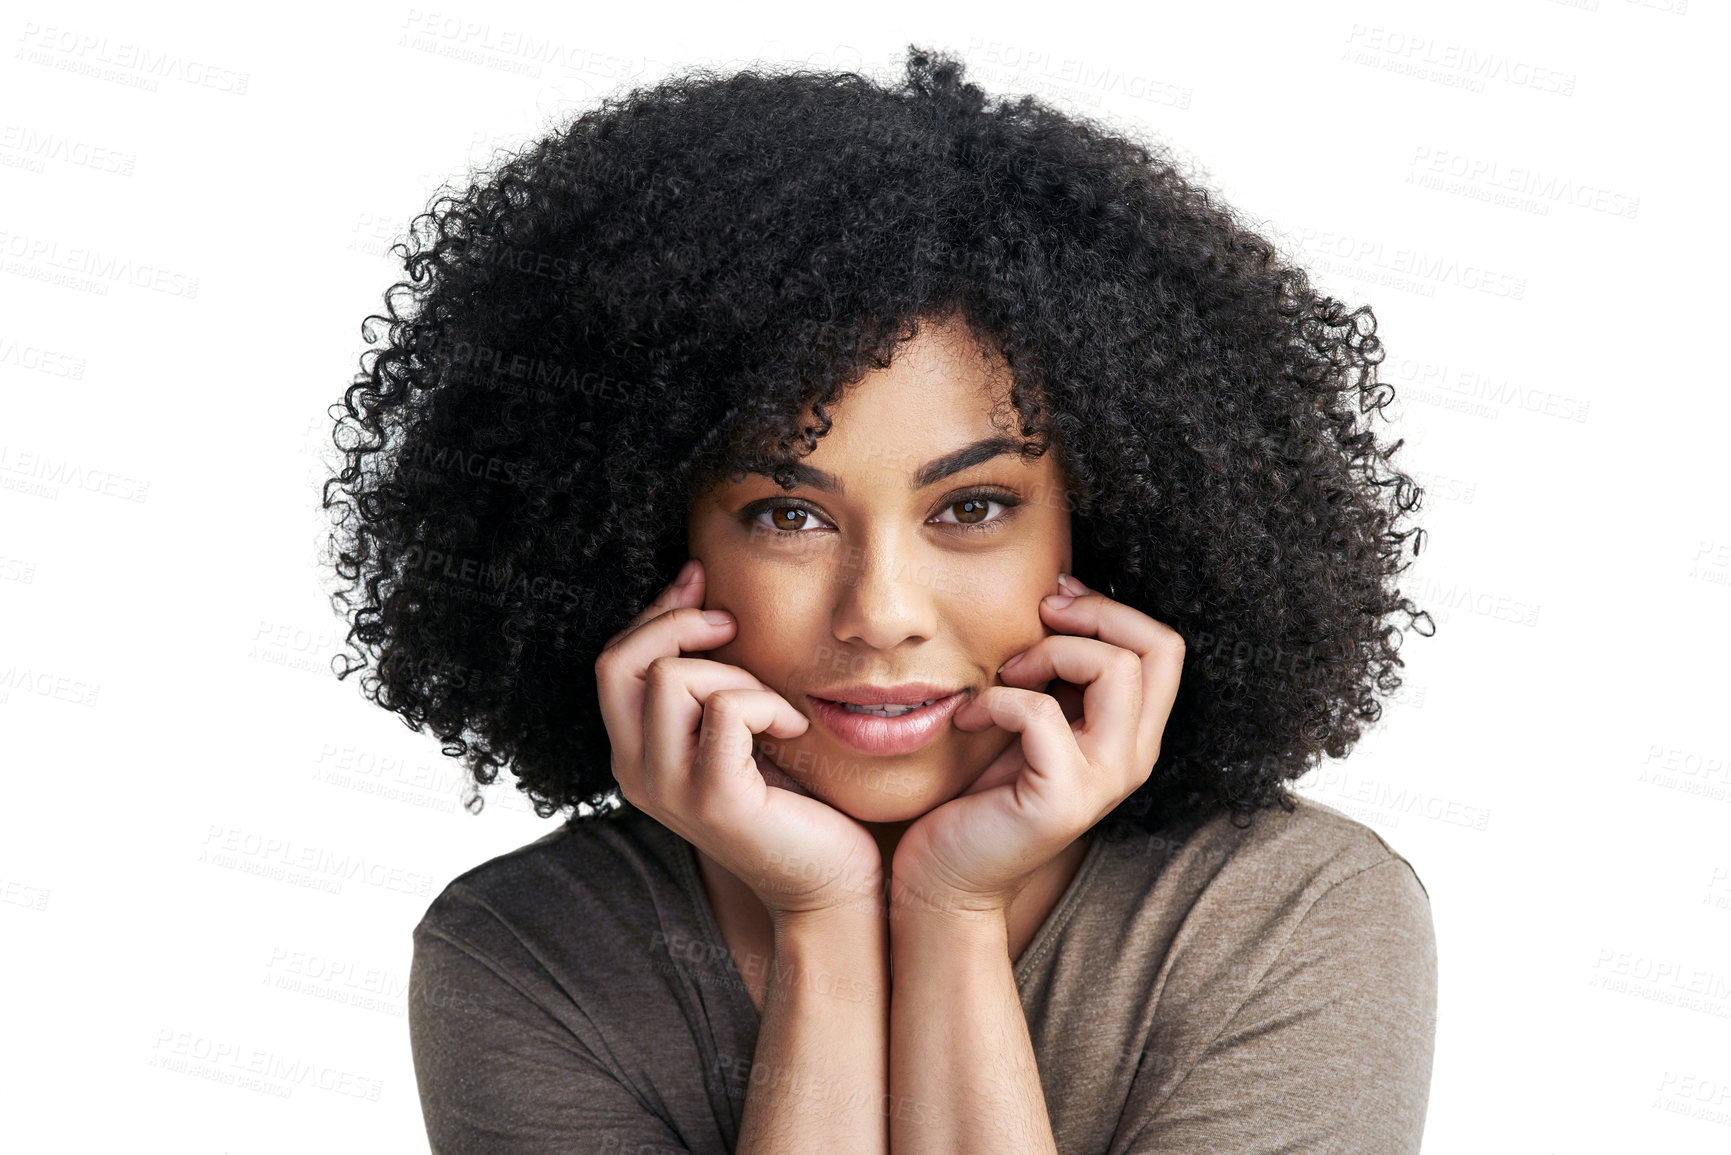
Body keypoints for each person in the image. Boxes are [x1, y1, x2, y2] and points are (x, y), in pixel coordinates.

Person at [322, 45, 1438, 1155]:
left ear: (1102, 530)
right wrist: (825, 926)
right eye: (788, 516)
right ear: (642, 545)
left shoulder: (1284, 920)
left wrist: (950, 916)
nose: (883, 611)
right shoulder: (535, 954)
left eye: (974, 506)